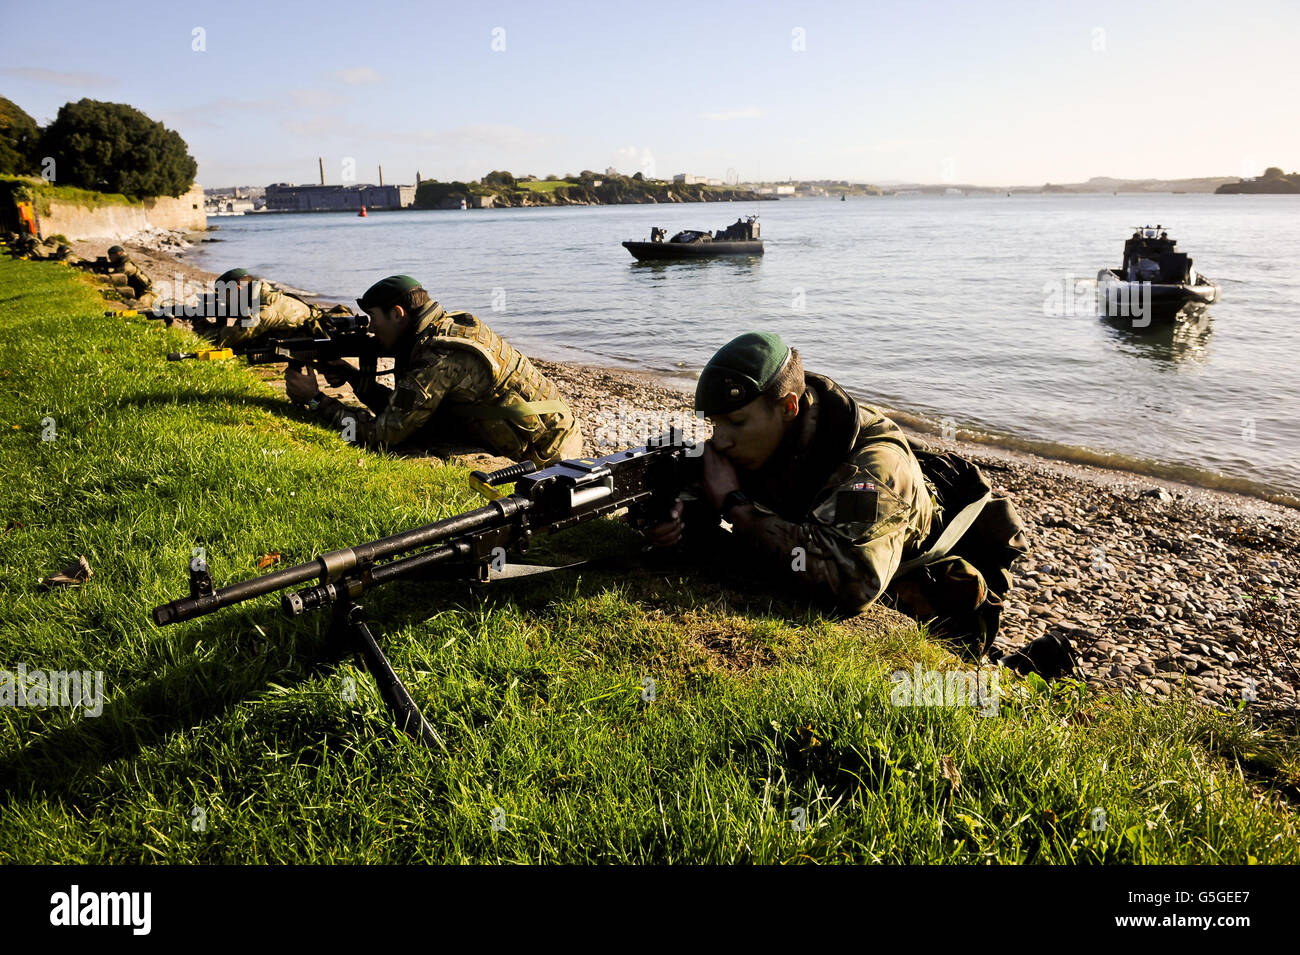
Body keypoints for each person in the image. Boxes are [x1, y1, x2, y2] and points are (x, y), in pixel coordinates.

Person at [645, 331, 1037, 664]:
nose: (721, 439)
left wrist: (737, 507)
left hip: (924, 578)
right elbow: (704, 483)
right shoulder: (764, 435)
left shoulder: (873, 467)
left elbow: (854, 581)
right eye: (715, 424)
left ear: (789, 407)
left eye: (736, 422)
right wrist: (678, 510)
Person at [283, 275, 583, 465]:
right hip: (554, 428)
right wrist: (352, 377)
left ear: (398, 313)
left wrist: (316, 401)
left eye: (373, 318)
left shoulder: (438, 356)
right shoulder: (442, 328)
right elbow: (408, 407)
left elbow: (384, 435)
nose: (371, 328)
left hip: (550, 454)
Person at [193, 268, 325, 346]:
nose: (222, 300)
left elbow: (222, 341)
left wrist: (201, 325)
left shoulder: (264, 310)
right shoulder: (264, 295)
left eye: (223, 295)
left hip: (316, 345)